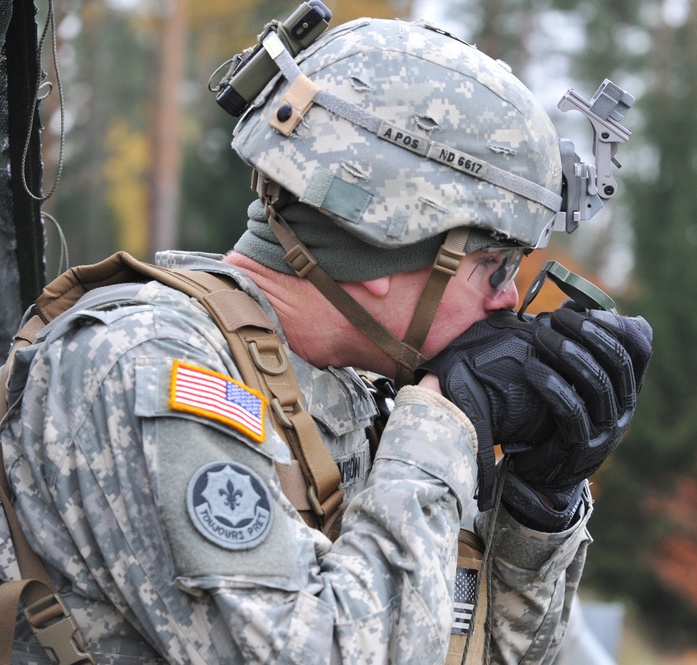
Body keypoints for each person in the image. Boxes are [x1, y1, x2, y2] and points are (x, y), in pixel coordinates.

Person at [0, 13, 652, 665]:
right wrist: (443, 427)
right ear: (388, 238)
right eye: (495, 265)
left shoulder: (362, 397)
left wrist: (539, 508)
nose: (507, 299)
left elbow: (468, 650)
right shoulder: (146, 365)